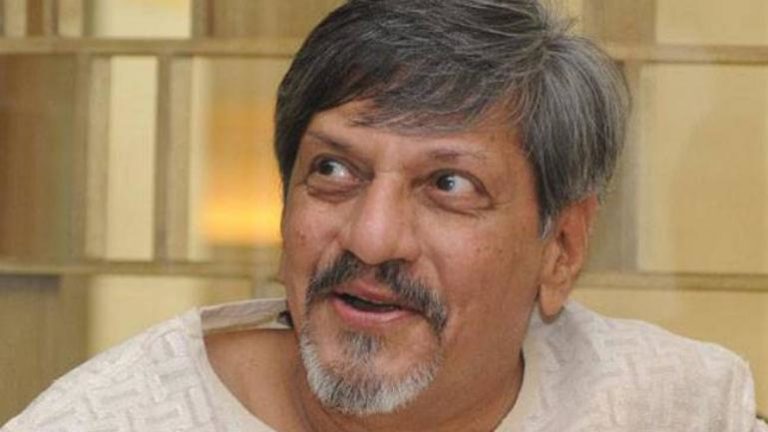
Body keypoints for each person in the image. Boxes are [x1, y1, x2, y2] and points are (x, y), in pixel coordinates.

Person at [3, 0, 766, 431]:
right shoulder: (110, 421)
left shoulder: (675, 407)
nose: (371, 239)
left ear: (561, 248)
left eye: (449, 185)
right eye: (333, 171)